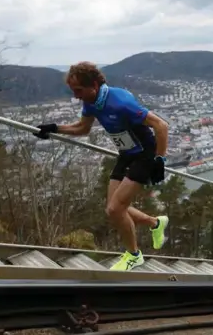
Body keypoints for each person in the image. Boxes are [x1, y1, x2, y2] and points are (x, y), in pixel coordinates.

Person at [32, 61, 169, 271]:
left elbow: (161, 125)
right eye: (73, 91)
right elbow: (82, 128)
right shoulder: (91, 102)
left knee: (116, 209)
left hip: (144, 153)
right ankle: (155, 223)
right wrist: (53, 129)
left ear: (94, 85)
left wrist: (160, 160)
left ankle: (134, 255)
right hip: (126, 153)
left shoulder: (120, 102)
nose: (76, 95)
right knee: (113, 209)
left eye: (79, 90)